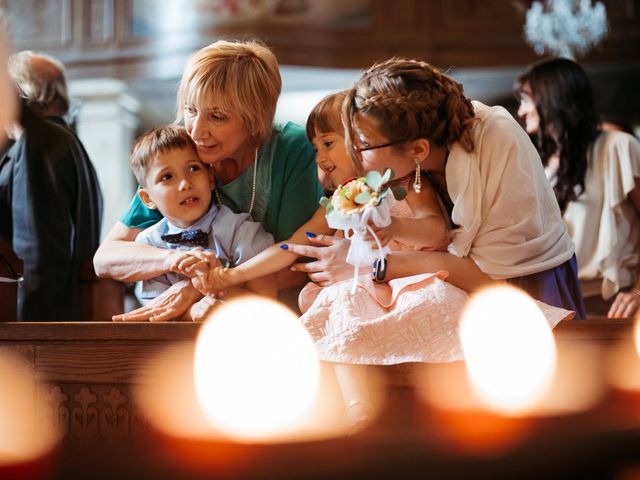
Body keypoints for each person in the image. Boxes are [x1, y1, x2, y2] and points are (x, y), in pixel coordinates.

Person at [197, 90, 573, 431]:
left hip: (415, 278)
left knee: (423, 301)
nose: (322, 157)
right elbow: (294, 245)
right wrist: (232, 276)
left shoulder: (403, 184)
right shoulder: (341, 199)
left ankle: (451, 402)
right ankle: (357, 405)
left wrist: (389, 227)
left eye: (329, 143)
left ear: (360, 141)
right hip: (375, 288)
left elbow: (437, 232)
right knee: (316, 298)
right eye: (315, 150)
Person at [283, 57, 586, 319]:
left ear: (418, 150)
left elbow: (491, 280)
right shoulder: (413, 169)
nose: (354, 154)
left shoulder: (497, 143)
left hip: (526, 291)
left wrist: (370, 265)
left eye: (362, 144)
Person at [93, 40, 323, 321]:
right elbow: (106, 258)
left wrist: (196, 288)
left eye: (216, 116)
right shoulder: (185, 148)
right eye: (191, 110)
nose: (197, 130)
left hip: (272, 317)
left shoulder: (291, 148)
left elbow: (297, 262)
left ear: (254, 118)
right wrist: (174, 262)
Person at [515, 58, 640, 318]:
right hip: (553, 304)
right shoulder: (541, 165)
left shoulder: (619, 147)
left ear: (552, 97)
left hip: (612, 304)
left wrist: (638, 292)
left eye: (526, 99)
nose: (521, 111)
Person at [117, 125, 275, 321]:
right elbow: (158, 311)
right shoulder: (148, 244)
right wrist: (192, 312)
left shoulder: (241, 231)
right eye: (167, 177)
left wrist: (216, 289)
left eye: (194, 168)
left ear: (210, 178)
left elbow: (268, 303)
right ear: (147, 198)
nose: (185, 184)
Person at [0, 51, 102, 321]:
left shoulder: (39, 143)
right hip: (66, 316)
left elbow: (35, 255)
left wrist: (27, 334)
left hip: (36, 323)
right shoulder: (69, 144)